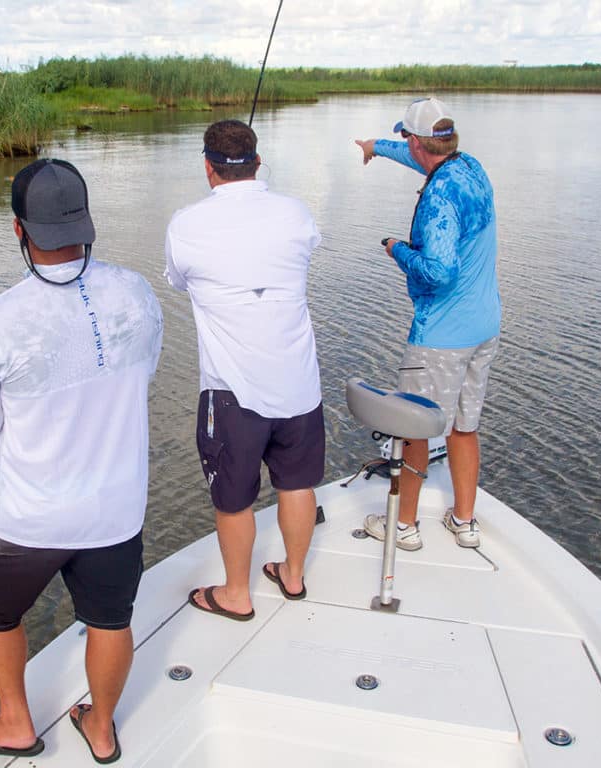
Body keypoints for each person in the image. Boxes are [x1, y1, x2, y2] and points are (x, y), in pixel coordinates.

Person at [0, 158, 163, 763]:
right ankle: (100, 730)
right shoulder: (135, 291)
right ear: (86, 223)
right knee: (110, 619)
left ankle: (15, 724)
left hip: (27, 517)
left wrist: (19, 460)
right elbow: (144, 369)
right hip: (115, 512)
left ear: (20, 230)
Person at [165, 119, 326, 621]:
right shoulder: (296, 214)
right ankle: (292, 575)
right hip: (299, 384)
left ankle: (237, 594)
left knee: (233, 500)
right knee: (297, 484)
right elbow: (304, 248)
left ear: (209, 169)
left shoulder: (186, 226)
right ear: (258, 163)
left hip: (232, 394)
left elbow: (177, 281)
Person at [355, 97, 501, 551]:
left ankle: (404, 525)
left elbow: (438, 271)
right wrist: (375, 146)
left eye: (405, 139)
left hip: (441, 335)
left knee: (413, 428)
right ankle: (464, 520)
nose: (406, 146)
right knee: (464, 426)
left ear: (419, 142)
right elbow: (418, 158)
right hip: (484, 326)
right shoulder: (469, 168)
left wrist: (396, 248)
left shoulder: (439, 196)